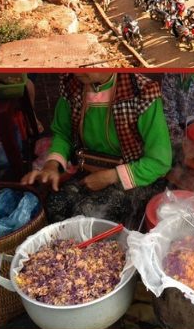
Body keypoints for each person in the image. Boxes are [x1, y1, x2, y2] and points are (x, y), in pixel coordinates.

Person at [20, 74, 171, 225]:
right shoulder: (72, 83)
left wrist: (111, 176)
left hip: (137, 174)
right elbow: (63, 133)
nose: (77, 69)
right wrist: (52, 165)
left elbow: (159, 161)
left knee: (89, 216)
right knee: (54, 205)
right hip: (90, 168)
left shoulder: (142, 92)